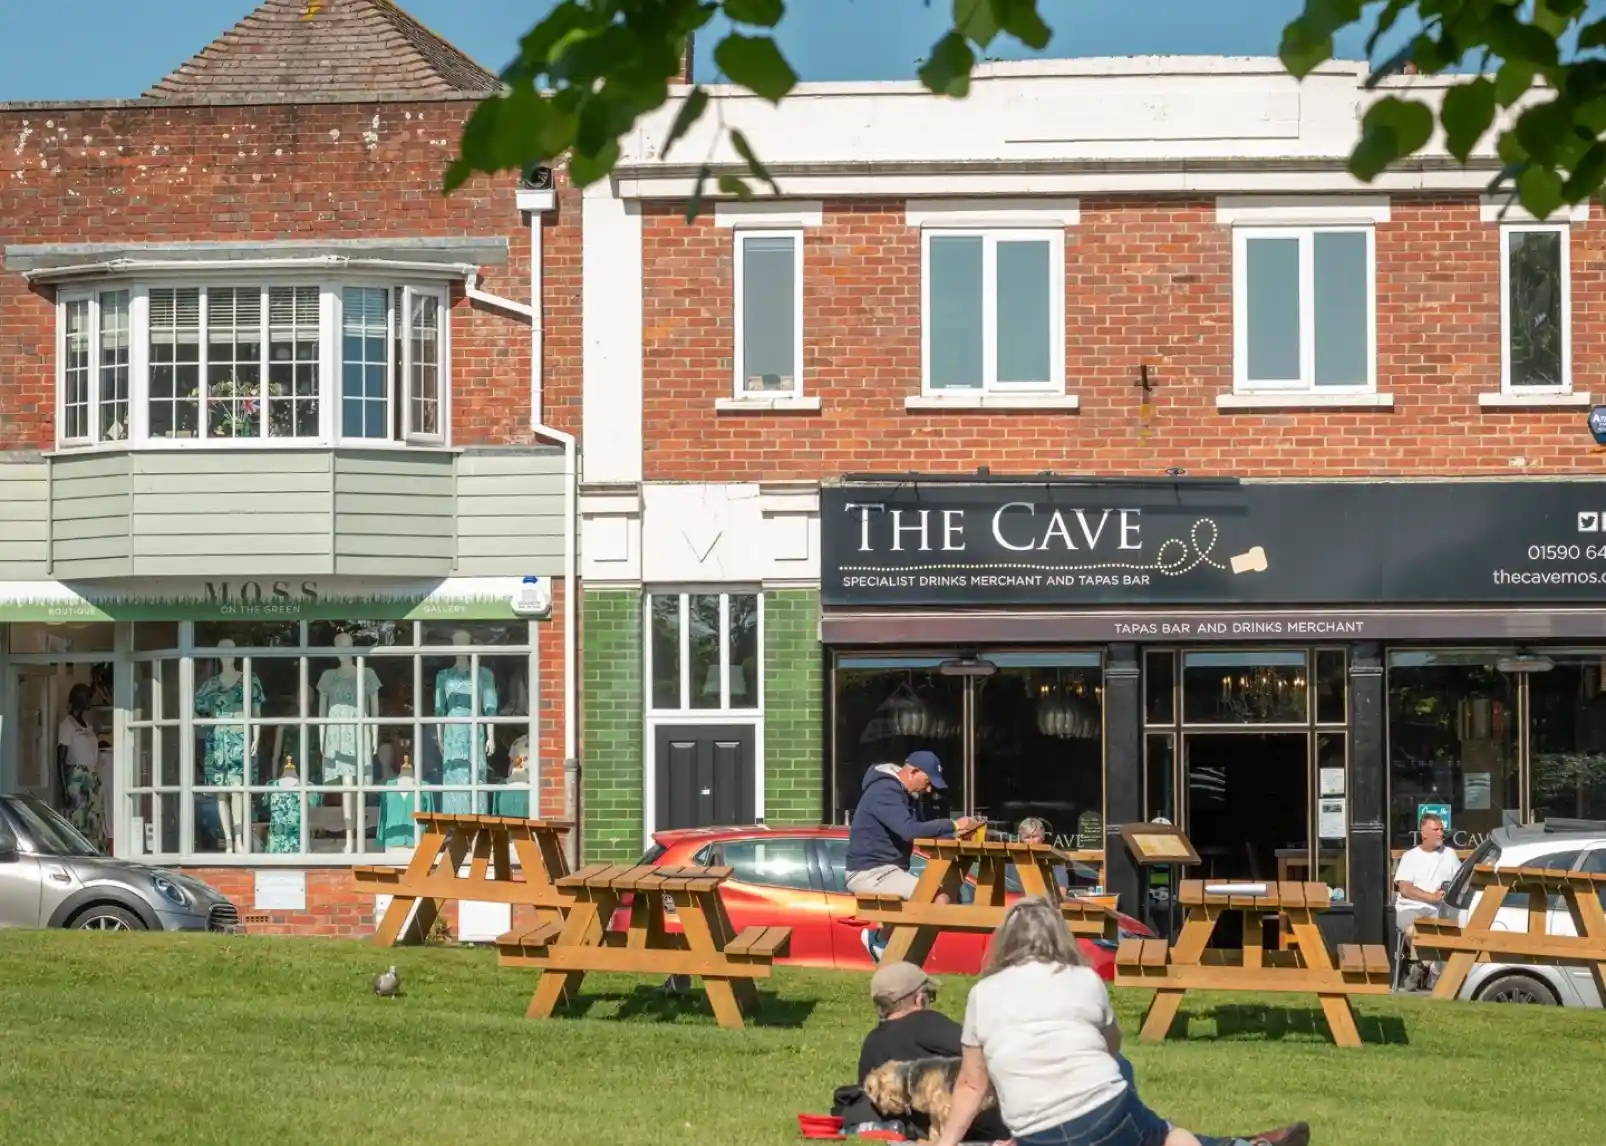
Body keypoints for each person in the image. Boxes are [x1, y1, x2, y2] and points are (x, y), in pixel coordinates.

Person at [934, 897, 1310, 1146]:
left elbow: (971, 1084)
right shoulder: (1083, 979)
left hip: (1036, 1133)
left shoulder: (983, 994)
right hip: (1106, 1112)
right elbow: (1112, 1046)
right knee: (1162, 1133)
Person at [857, 961, 1013, 1144]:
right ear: (920, 999)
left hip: (911, 1133)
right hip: (969, 1129)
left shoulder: (872, 1042)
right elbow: (980, 1052)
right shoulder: (926, 1022)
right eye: (930, 996)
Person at [846, 750, 980, 962]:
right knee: (939, 900)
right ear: (912, 772)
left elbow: (921, 829)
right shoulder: (885, 792)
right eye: (926, 782)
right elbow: (909, 830)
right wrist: (953, 824)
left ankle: (884, 942)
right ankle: (896, 953)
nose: (928, 789)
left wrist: (955, 833)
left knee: (943, 897)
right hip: (871, 873)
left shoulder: (903, 794)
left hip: (888, 871)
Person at [1392, 811, 1462, 990]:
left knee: (1450, 934)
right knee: (1414, 930)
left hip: (1439, 910)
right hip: (1411, 908)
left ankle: (1425, 968)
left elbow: (1460, 883)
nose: (1441, 833)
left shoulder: (1450, 854)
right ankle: (1429, 967)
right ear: (1424, 833)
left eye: (1442, 829)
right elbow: (1406, 889)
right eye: (1436, 829)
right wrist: (1431, 897)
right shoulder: (1411, 856)